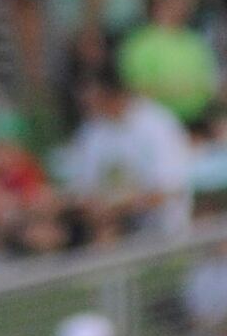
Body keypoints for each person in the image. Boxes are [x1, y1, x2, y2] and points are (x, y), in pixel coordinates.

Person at [61, 60, 193, 242]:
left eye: (93, 99)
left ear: (114, 95)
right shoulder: (91, 132)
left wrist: (120, 207)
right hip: (110, 228)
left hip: (161, 229)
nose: (87, 106)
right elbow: (83, 189)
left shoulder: (157, 124)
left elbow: (170, 188)